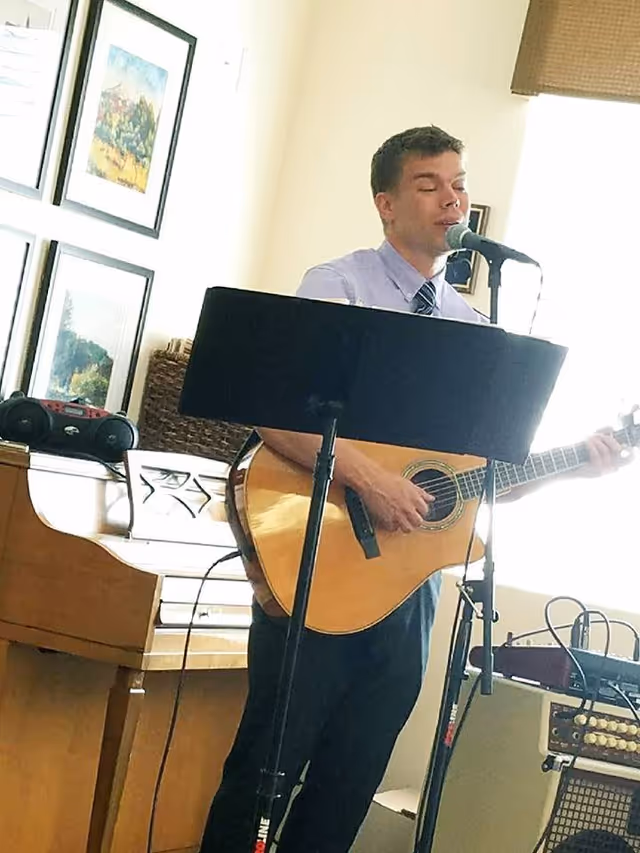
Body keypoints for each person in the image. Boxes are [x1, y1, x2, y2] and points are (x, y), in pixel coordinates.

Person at [199, 126, 623, 853]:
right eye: (429, 184)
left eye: (458, 182)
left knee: (349, 782)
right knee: (263, 776)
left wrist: (574, 462)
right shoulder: (340, 287)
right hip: (317, 562)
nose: (451, 197)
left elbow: (470, 484)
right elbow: (275, 411)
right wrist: (369, 478)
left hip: (410, 592)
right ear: (386, 203)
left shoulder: (471, 328)